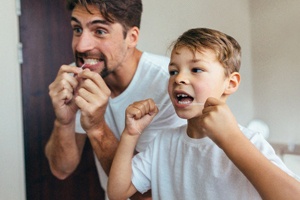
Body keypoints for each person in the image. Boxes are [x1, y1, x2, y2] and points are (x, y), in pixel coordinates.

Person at [107, 28, 300, 200]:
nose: (179, 78)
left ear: (230, 84)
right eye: (173, 71)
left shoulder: (249, 141)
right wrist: (130, 134)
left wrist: (231, 139)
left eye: (196, 69)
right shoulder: (162, 143)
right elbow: (118, 192)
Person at [45, 0, 185, 199]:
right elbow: (61, 169)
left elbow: (150, 194)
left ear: (132, 37)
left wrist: (97, 128)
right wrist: (64, 121)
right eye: (77, 29)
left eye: (100, 31)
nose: (81, 45)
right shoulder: (78, 79)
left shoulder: (170, 86)